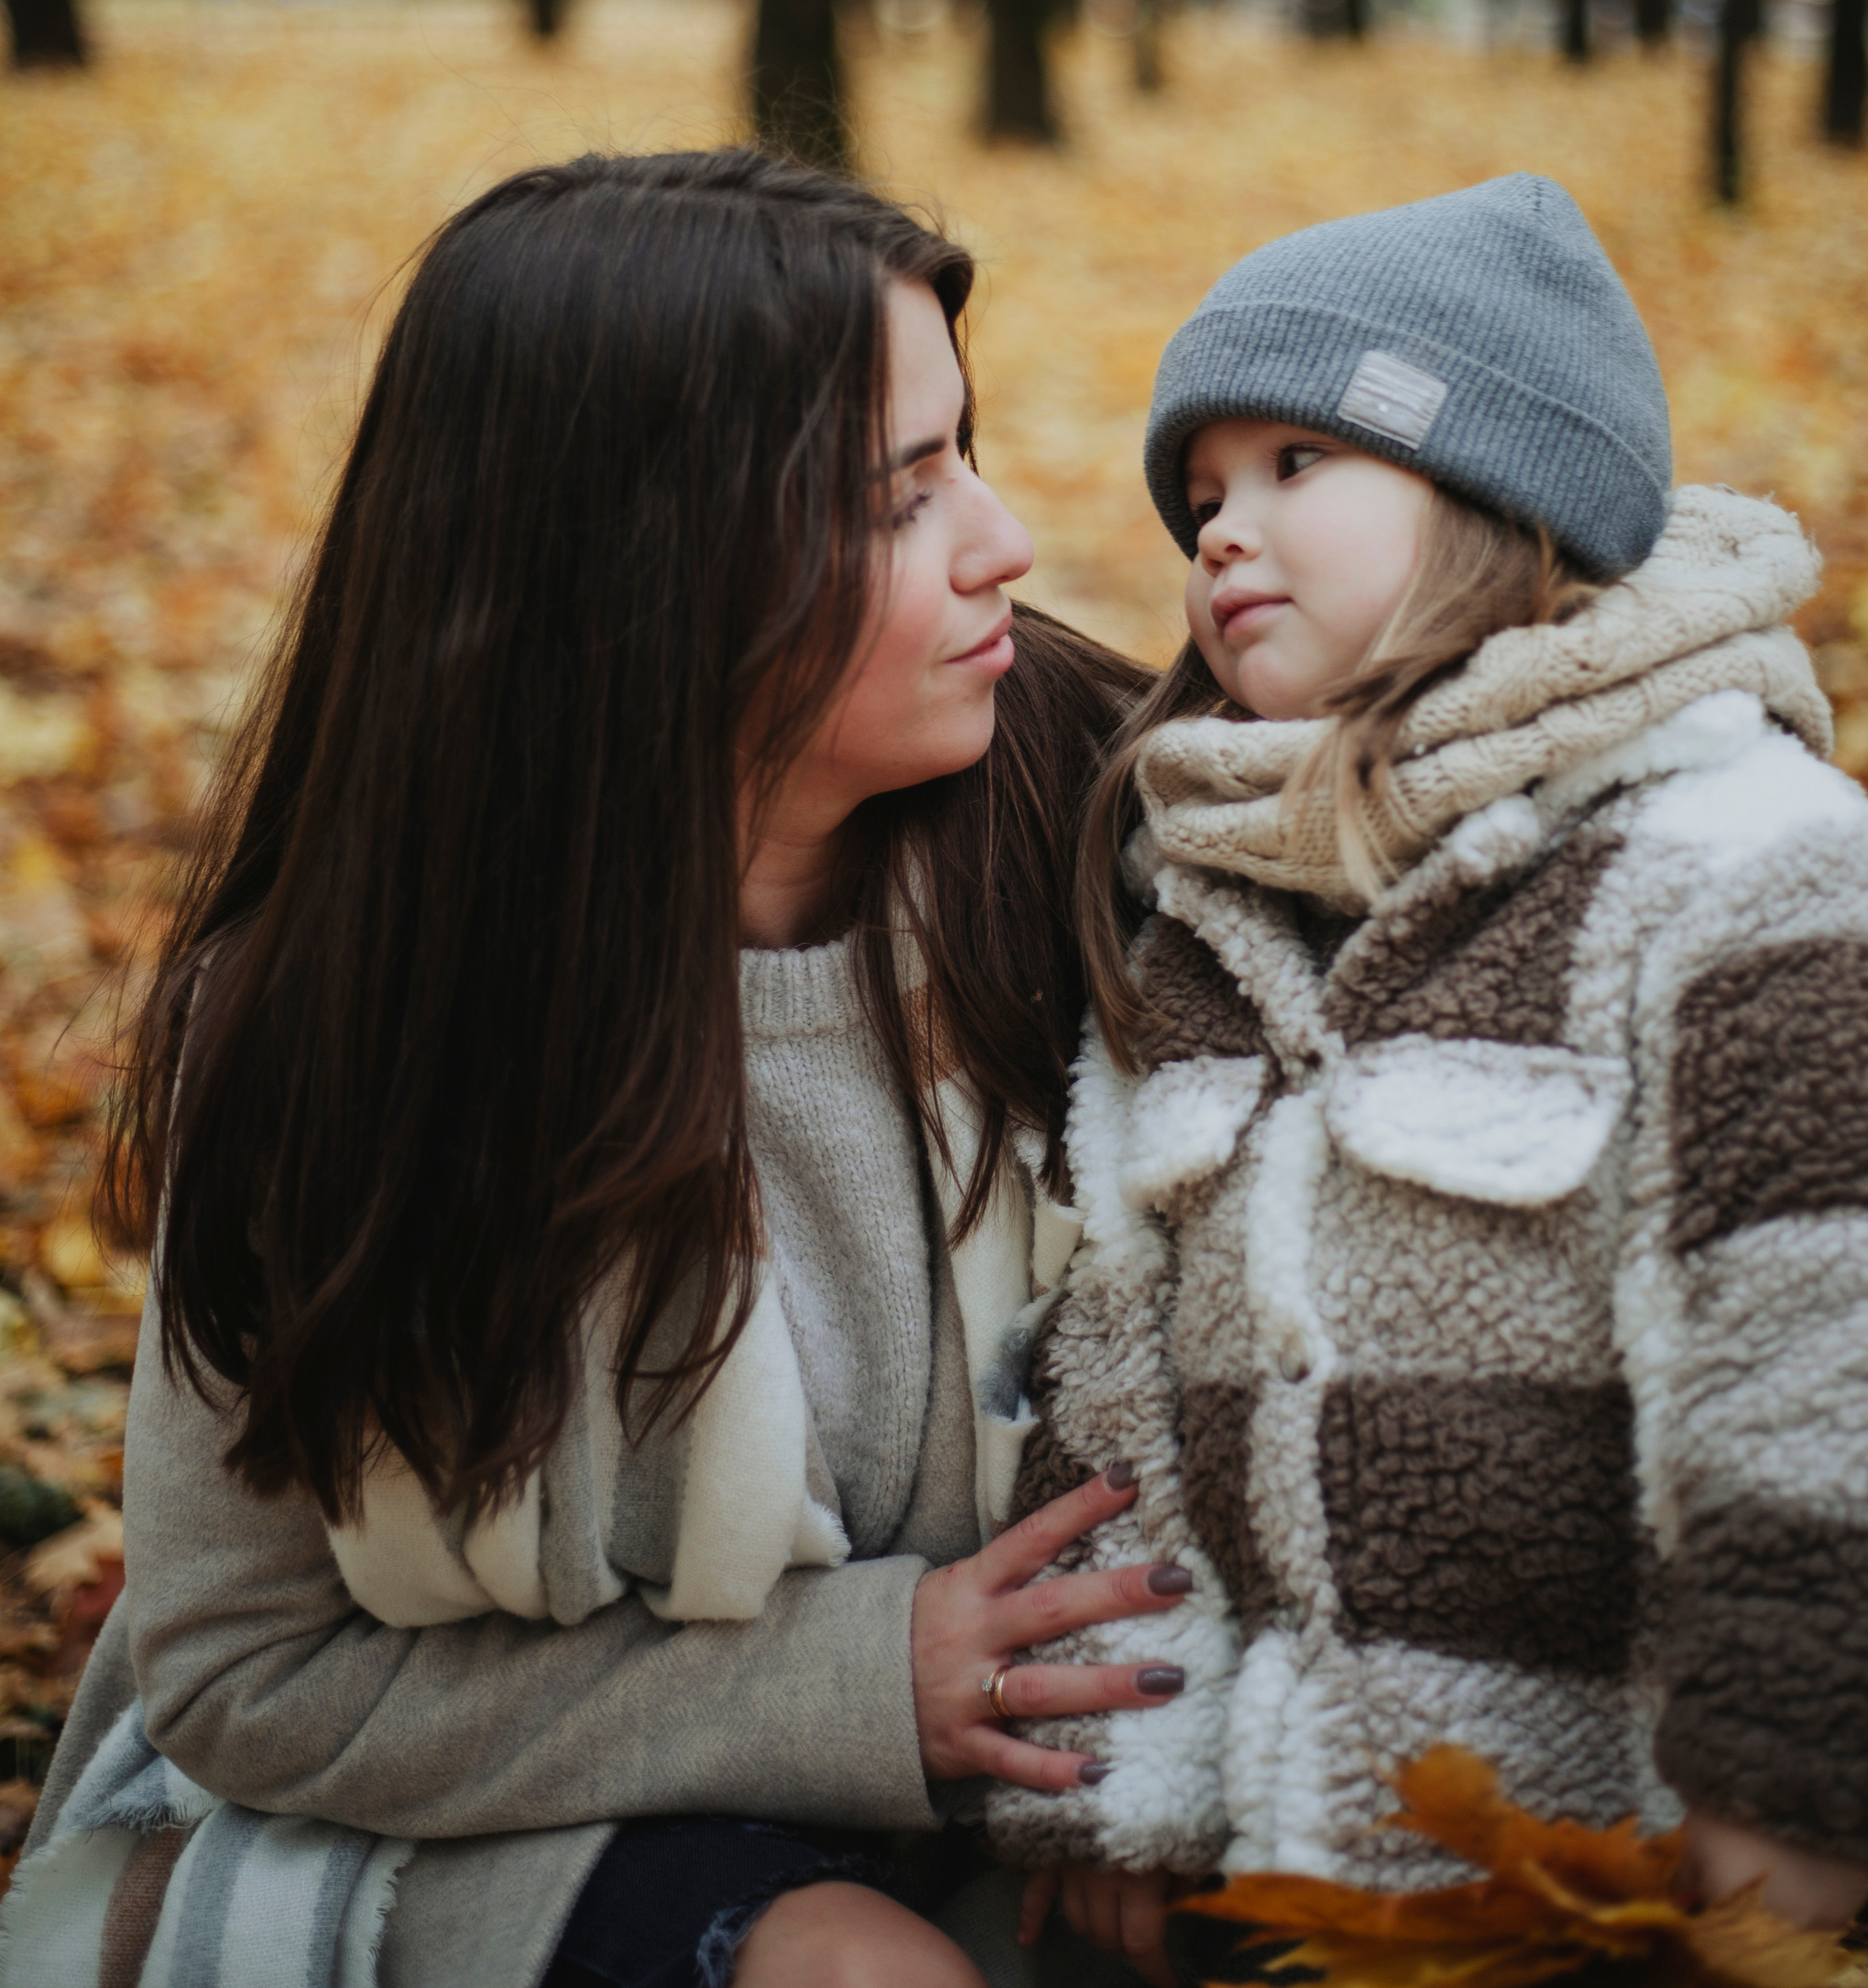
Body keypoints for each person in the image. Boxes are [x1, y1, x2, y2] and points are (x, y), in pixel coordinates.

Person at [4, 150, 1195, 1988]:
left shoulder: (1102, 822)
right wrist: (851, 1684)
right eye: (899, 496)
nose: (1001, 539)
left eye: (962, 449)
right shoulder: (361, 1029)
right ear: (646, 570)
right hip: (489, 1803)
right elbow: (252, 1673)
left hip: (1056, 1778)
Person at [986, 174, 1868, 1987]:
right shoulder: (1213, 901)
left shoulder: (1740, 866)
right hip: (1269, 1898)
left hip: (1605, 1884)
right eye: (1200, 497)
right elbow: (1117, 1369)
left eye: (1295, 461)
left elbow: (1812, 1363)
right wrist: (1116, 1784)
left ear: (1494, 486)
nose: (1222, 533)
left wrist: (1783, 1816)